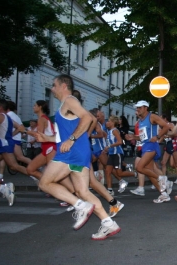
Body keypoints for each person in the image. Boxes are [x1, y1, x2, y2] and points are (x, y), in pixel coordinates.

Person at [36, 74, 120, 240]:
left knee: (45, 183)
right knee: (83, 191)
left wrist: (71, 139)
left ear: (63, 86)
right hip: (78, 151)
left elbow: (88, 117)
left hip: (71, 152)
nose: (52, 88)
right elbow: (63, 136)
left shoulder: (69, 100)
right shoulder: (63, 106)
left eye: (54, 85)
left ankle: (79, 206)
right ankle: (108, 223)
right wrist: (47, 138)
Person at [125, 100, 172, 203]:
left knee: (139, 167)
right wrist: (133, 137)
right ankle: (164, 194)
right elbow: (143, 137)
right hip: (145, 145)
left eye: (140, 107)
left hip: (152, 146)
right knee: (150, 174)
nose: (137, 109)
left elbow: (166, 126)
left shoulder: (152, 116)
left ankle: (162, 179)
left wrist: (158, 136)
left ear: (146, 108)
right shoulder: (140, 121)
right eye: (137, 108)